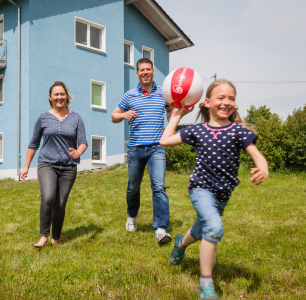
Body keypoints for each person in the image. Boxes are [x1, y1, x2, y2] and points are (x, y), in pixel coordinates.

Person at [159, 79, 269, 300]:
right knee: (215, 227)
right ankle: (205, 283)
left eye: (231, 98)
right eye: (221, 97)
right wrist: (178, 114)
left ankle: (181, 243)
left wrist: (263, 166)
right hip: (200, 188)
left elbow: (255, 153)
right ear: (207, 102)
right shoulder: (198, 130)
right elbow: (165, 140)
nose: (226, 102)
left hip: (223, 194)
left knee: (202, 229)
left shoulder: (238, 131)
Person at [111, 58, 174, 245]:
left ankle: (161, 229)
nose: (145, 72)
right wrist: (123, 115)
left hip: (157, 148)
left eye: (148, 69)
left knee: (159, 187)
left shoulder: (163, 93)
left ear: (153, 72)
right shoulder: (129, 95)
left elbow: (171, 112)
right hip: (135, 148)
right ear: (137, 73)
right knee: (133, 187)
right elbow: (114, 116)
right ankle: (131, 215)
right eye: (141, 70)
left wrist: (173, 123)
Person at [20, 81, 87, 248]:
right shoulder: (43, 118)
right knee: (48, 197)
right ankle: (43, 236)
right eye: (56, 94)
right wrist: (26, 166)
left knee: (60, 203)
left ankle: (55, 238)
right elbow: (33, 143)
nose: (59, 97)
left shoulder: (76, 118)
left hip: (68, 167)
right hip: (47, 164)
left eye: (62, 94)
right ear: (50, 97)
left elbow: (83, 142)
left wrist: (78, 152)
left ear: (67, 96)